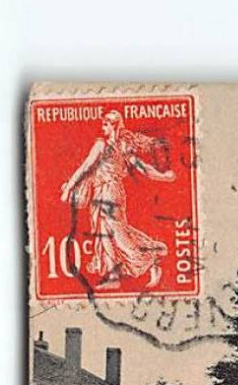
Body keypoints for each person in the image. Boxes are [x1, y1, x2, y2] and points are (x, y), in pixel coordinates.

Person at [60, 110, 176, 290]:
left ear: (114, 125)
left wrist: (68, 188)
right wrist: (164, 176)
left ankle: (150, 261)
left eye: (106, 124)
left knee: (117, 233)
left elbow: (85, 167)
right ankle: (113, 275)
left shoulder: (104, 145)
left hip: (110, 191)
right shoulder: (118, 146)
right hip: (102, 191)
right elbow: (143, 169)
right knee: (105, 231)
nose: (102, 128)